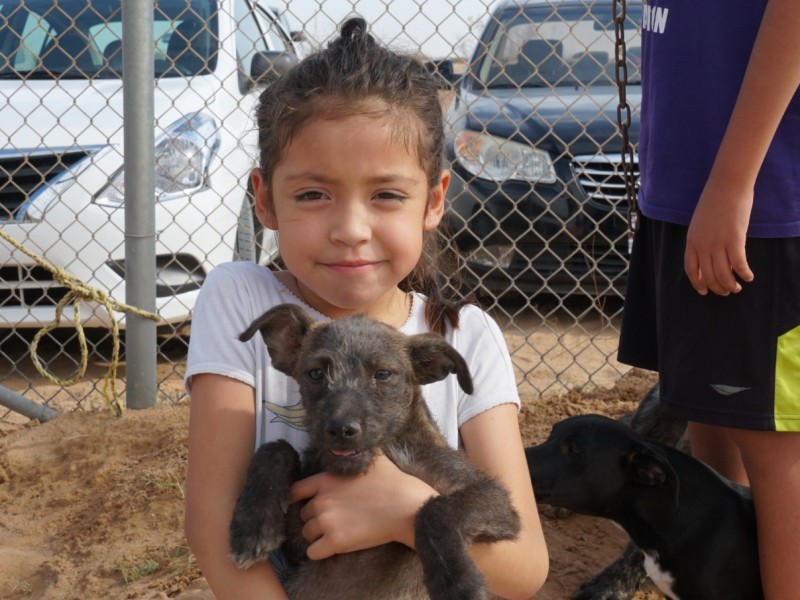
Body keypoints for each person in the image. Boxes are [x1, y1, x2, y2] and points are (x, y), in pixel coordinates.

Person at [183, 17, 549, 600]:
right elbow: (212, 529)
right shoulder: (242, 297)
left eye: (385, 195)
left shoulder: (464, 334)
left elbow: (525, 565)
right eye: (312, 194)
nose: (350, 231)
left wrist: (409, 514)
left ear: (432, 202)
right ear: (264, 200)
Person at [618, 1, 800, 598]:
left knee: (779, 450)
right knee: (711, 417)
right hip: (688, 189)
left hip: (758, 198)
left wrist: (732, 183)